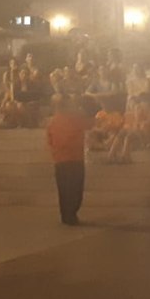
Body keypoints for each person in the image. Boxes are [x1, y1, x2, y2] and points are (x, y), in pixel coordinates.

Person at [46, 94, 91, 226]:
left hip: (60, 160)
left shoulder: (53, 122)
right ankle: (72, 213)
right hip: (75, 159)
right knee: (75, 188)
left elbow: (50, 140)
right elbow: (88, 125)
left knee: (64, 189)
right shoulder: (76, 118)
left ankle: (66, 214)